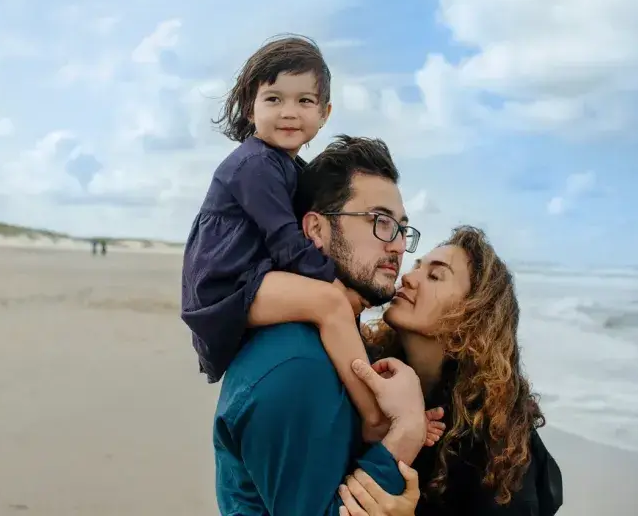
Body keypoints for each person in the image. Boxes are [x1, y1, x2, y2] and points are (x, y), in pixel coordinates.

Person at [181, 35, 391, 438]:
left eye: (304, 101)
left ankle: (356, 368)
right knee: (330, 301)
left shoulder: (291, 168)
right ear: (250, 106)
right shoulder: (254, 165)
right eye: (273, 99)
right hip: (225, 284)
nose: (289, 113)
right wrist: (335, 285)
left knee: (340, 298)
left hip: (252, 273)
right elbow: (286, 241)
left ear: (325, 112)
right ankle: (374, 418)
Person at [213, 135, 432, 515]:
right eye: (380, 222)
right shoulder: (299, 367)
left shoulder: (339, 345)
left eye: (401, 229)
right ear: (315, 230)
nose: (397, 246)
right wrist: (406, 431)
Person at [338, 226, 564, 516]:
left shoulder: (497, 442)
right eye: (417, 266)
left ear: (472, 316)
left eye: (435, 276)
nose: (407, 276)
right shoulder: (369, 370)